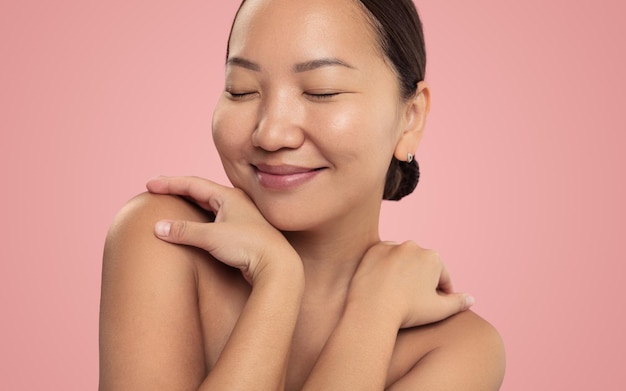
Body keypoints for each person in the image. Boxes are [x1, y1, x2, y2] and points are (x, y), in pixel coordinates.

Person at [99, 0, 506, 389]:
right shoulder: (169, 236)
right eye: (240, 90)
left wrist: (372, 314)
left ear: (410, 118)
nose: (271, 133)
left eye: (322, 91)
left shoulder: (457, 348)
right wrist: (279, 278)